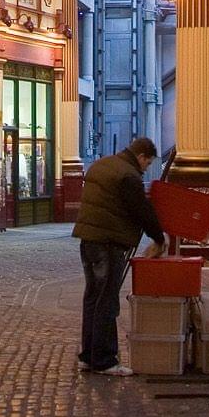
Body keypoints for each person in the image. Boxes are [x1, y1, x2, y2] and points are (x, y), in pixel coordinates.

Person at [76, 135, 172, 377]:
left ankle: (88, 356)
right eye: (148, 164)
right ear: (142, 157)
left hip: (88, 240)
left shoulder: (102, 164)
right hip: (109, 243)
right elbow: (141, 209)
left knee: (93, 298)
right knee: (107, 300)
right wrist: (159, 238)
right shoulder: (128, 175)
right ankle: (105, 360)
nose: (146, 168)